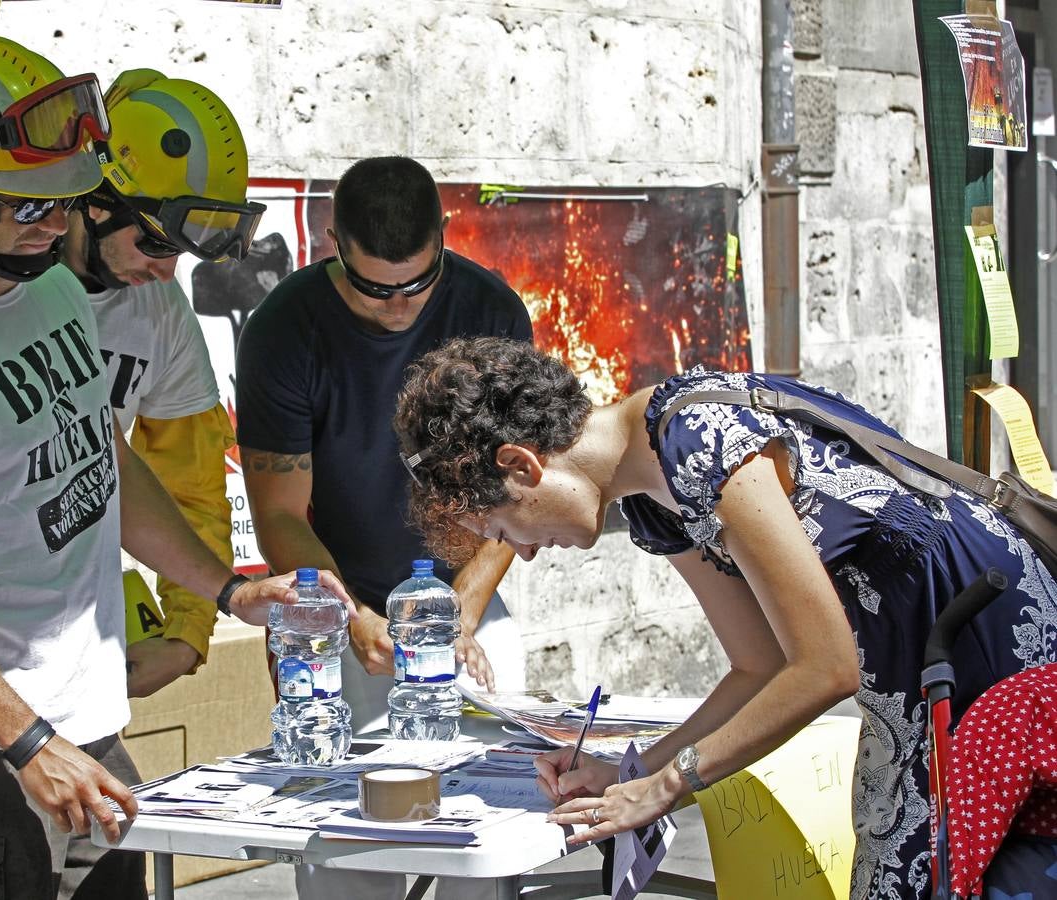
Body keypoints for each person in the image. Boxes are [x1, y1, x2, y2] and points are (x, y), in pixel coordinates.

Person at [0, 36, 347, 898]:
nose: (48, 225)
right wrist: (27, 744)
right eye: (24, 205)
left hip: (84, 720)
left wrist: (223, 590)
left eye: (61, 203)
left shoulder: (50, 285)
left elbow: (102, 459)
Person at [391, 336, 1057, 900]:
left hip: (987, 633)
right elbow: (758, 666)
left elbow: (824, 668)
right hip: (916, 655)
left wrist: (665, 787)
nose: (526, 553)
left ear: (521, 464)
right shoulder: (653, 500)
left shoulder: (697, 443)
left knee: (968, 869)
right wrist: (635, 772)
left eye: (504, 527)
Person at [235, 156, 532, 900]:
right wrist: (352, 616)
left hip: (463, 592)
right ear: (333, 242)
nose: (398, 306)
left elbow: (522, 490)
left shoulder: (489, 313)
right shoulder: (286, 329)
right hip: (340, 603)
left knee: (482, 836)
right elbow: (277, 510)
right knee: (348, 855)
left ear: (445, 237)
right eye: (374, 287)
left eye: (417, 284)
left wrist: (463, 609)